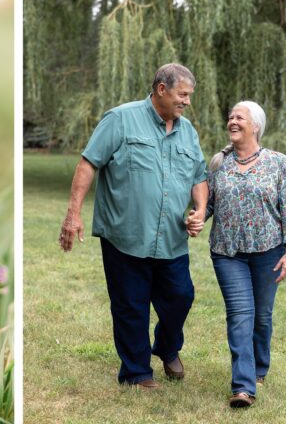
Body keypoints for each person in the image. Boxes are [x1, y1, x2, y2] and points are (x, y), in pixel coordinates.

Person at [59, 63, 208, 389]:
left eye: (189, 96)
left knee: (181, 297)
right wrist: (74, 213)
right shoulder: (121, 119)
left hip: (170, 238)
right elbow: (88, 163)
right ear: (161, 90)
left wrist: (199, 209)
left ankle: (167, 348)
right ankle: (137, 372)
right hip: (125, 235)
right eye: (182, 95)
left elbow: (199, 176)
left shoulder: (188, 132)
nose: (187, 102)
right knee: (130, 305)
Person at [198, 101, 286, 408]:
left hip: (269, 252)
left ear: (254, 125)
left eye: (238, 117)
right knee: (241, 314)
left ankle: (259, 368)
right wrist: (198, 217)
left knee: (262, 316)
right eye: (230, 116)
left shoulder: (278, 162)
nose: (232, 121)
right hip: (228, 253)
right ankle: (243, 387)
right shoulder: (218, 164)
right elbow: (209, 205)